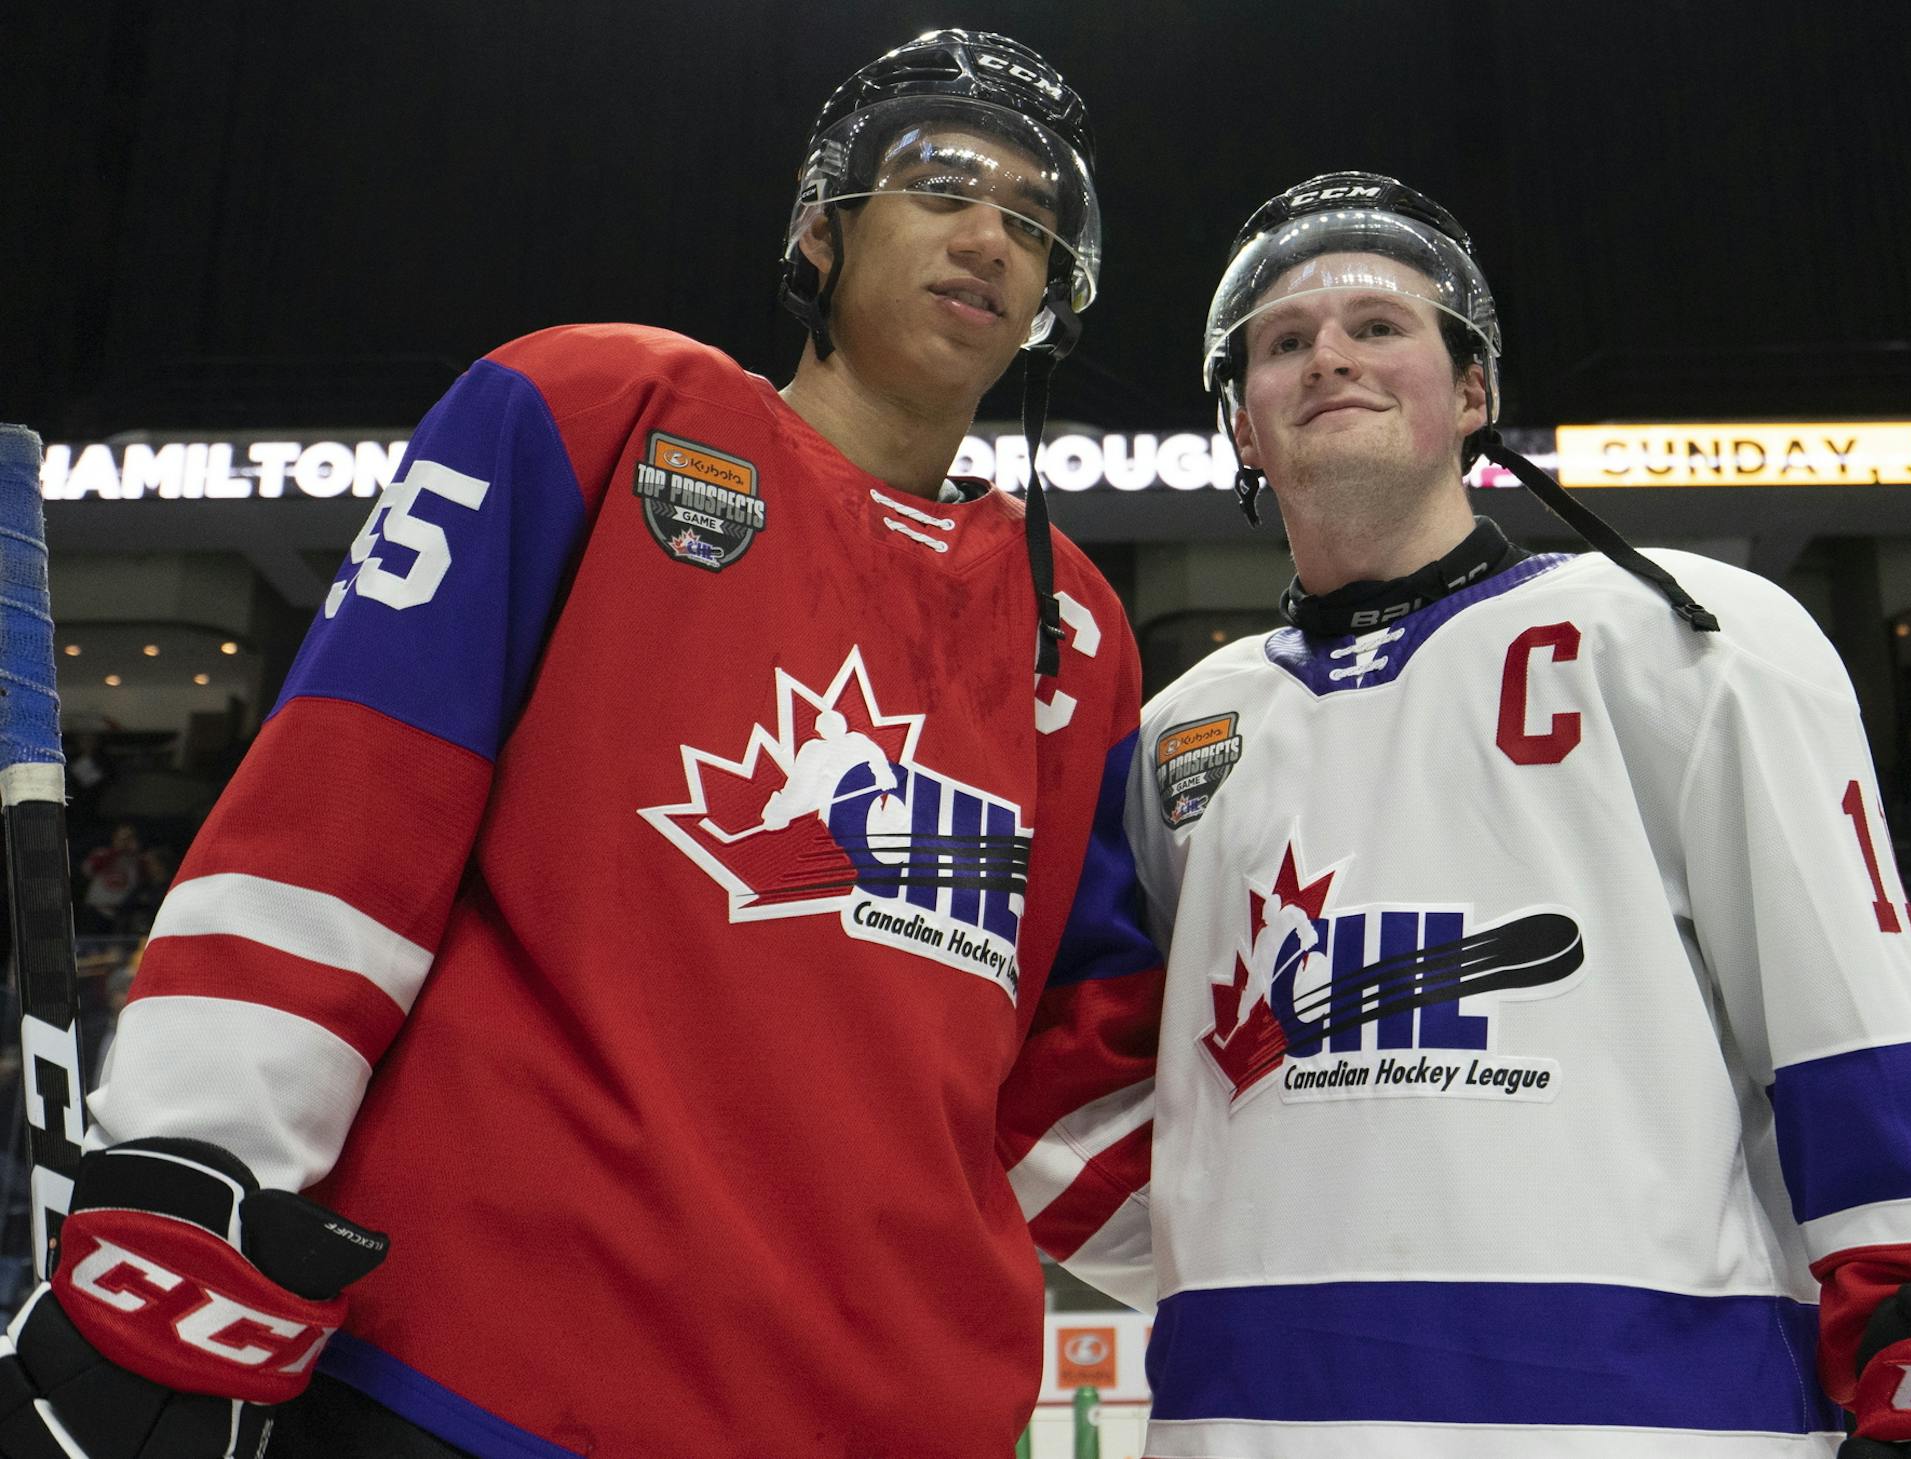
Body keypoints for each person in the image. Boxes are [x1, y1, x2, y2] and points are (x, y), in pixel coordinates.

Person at [0, 30, 1164, 1459]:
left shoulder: (1078, 630)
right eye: (941, 185)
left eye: (1035, 221)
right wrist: (193, 1160)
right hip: (480, 1375)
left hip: (895, 1410)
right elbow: (348, 812)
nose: (992, 232)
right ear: (821, 224)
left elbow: (1074, 1071)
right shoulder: (594, 410)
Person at [1029, 173, 1911, 1457]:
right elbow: (1060, 1077)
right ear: (1243, 428)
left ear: (1473, 393)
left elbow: (1856, 1037)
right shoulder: (1174, 740)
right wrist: (1264, 1229)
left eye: (1380, 325)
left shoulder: (1692, 638)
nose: (1329, 353)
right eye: (1282, 342)